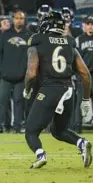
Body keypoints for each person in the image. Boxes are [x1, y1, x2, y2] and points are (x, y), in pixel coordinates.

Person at [23, 11, 92, 169]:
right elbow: (85, 74)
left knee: (31, 132)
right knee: (58, 130)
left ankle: (40, 155)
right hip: (69, 90)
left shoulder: (37, 41)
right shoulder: (70, 42)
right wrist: (86, 99)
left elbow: (31, 73)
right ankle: (82, 143)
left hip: (49, 89)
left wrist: (27, 89)